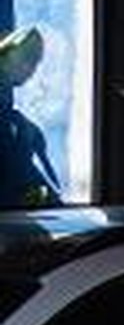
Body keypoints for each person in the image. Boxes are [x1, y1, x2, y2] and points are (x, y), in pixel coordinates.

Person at [0, 28, 59, 207]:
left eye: (36, 62)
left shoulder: (13, 115)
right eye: (28, 58)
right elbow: (18, 177)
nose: (33, 69)